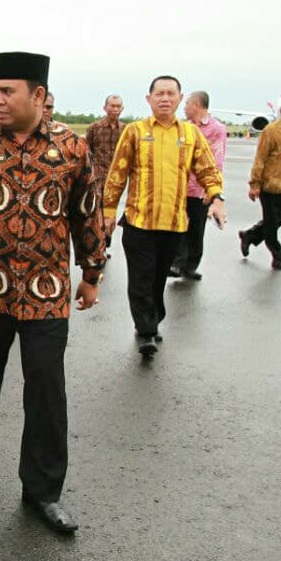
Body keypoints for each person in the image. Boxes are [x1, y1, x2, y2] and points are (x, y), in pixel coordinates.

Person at [0, 52, 104, 534]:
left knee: (47, 387)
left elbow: (87, 214)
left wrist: (91, 273)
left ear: (38, 96)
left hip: (46, 289)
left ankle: (43, 491)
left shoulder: (72, 148)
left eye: (8, 91)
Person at [103, 75, 225, 357]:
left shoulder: (190, 134)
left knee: (158, 279)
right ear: (149, 99)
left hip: (173, 223)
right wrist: (108, 212)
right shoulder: (135, 131)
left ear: (180, 99)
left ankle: (153, 317)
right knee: (141, 278)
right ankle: (146, 330)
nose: (165, 98)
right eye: (160, 93)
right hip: (139, 222)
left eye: (171, 93)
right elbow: (117, 173)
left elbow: (207, 169)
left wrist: (216, 197)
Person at [239, 96, 281, 271]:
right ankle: (279, 257)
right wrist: (254, 184)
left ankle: (250, 235)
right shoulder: (272, 130)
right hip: (270, 186)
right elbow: (260, 159)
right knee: (271, 223)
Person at [170, 91, 228, 280]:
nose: (184, 107)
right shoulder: (182, 127)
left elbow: (216, 161)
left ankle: (190, 265)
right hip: (181, 187)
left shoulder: (216, 129)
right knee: (179, 226)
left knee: (196, 229)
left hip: (200, 188)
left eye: (187, 103)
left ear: (196, 105)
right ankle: (177, 264)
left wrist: (211, 190)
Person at [83, 94, 125, 197]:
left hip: (117, 180)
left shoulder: (126, 129)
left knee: (112, 210)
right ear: (105, 108)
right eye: (112, 106)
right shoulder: (94, 128)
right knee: (97, 209)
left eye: (118, 106)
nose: (115, 109)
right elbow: (86, 153)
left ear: (122, 109)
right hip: (97, 179)